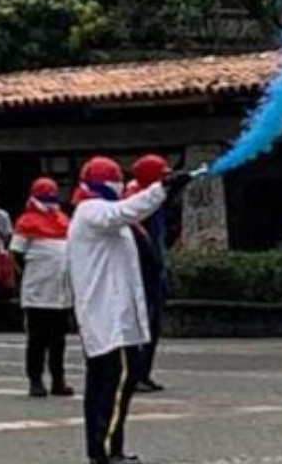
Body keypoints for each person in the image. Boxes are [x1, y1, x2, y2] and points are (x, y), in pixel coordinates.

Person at [68, 156, 192, 464]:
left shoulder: (97, 213)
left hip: (111, 315)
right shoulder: (92, 210)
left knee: (110, 384)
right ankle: (106, 450)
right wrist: (161, 189)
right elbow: (125, 210)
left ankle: (107, 447)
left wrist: (164, 192)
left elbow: (132, 213)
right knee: (113, 383)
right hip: (109, 318)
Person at [10, 177, 75, 398]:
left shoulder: (64, 220)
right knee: (37, 340)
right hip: (37, 291)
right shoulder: (26, 221)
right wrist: (29, 276)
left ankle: (58, 379)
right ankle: (35, 380)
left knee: (59, 340)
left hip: (61, 291)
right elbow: (16, 254)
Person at [125, 154, 175, 394]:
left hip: (155, 271)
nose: (166, 179)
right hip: (141, 273)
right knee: (142, 326)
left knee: (154, 326)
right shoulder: (134, 199)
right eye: (162, 175)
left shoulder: (154, 197)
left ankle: (144, 373)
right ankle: (135, 374)